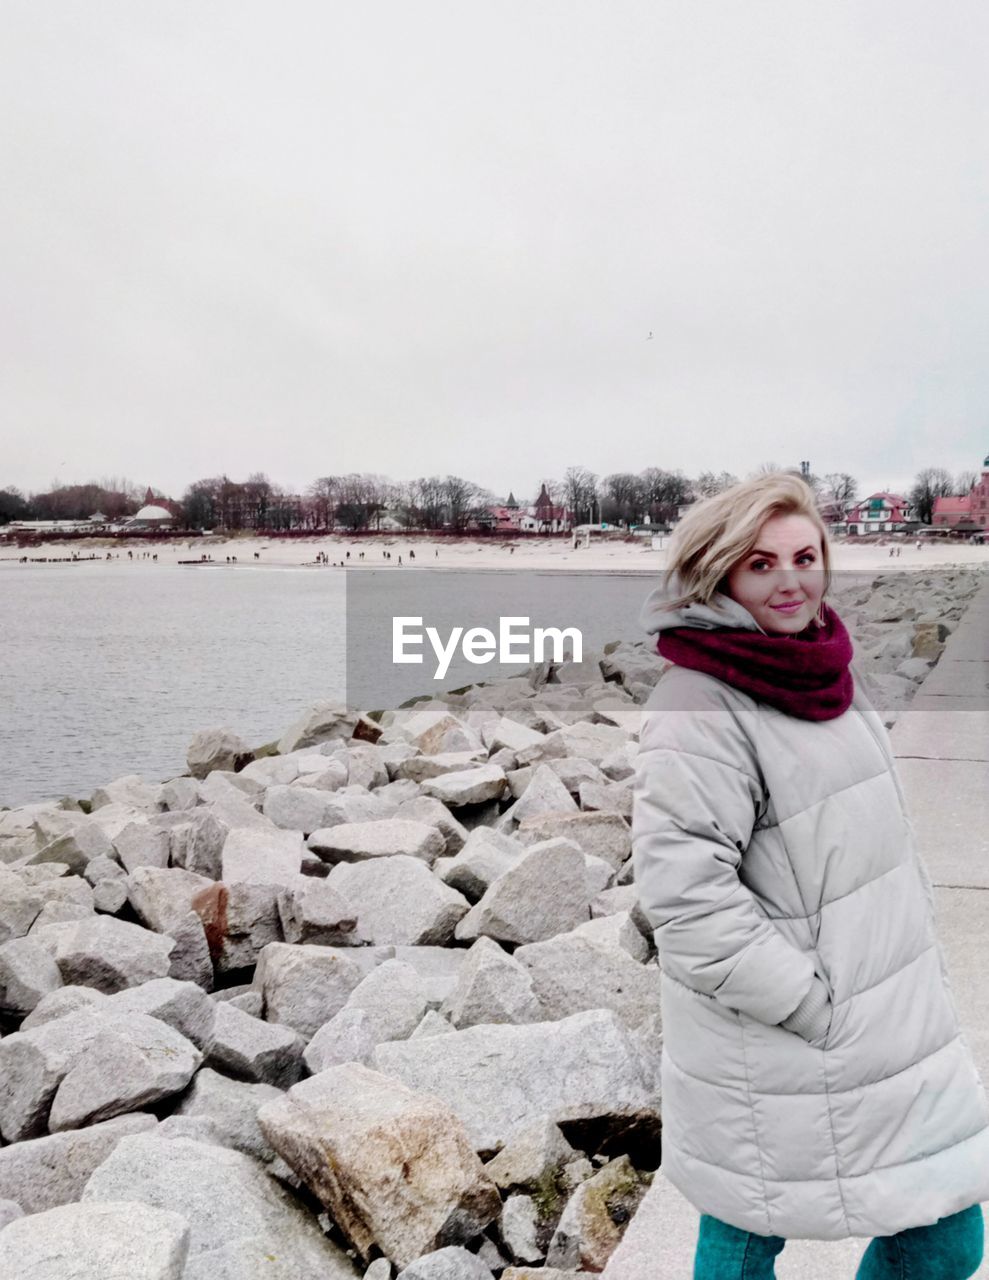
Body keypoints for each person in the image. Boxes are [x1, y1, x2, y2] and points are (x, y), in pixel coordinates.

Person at [632, 472, 988, 1280]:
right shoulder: (698, 702)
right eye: (760, 564)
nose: (789, 579)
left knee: (941, 1235)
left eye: (804, 556)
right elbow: (684, 900)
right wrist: (807, 1003)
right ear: (718, 573)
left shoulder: (818, 666)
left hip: (879, 1010)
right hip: (783, 1032)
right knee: (745, 1232)